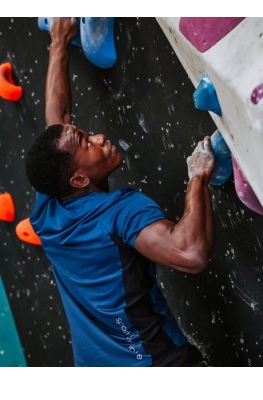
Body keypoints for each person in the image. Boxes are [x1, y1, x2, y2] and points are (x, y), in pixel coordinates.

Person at [25, 18, 215, 367]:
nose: (98, 137)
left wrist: (59, 41)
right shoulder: (119, 214)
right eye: (88, 143)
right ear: (79, 180)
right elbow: (189, 252)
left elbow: (58, 123)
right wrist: (198, 177)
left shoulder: (48, 207)